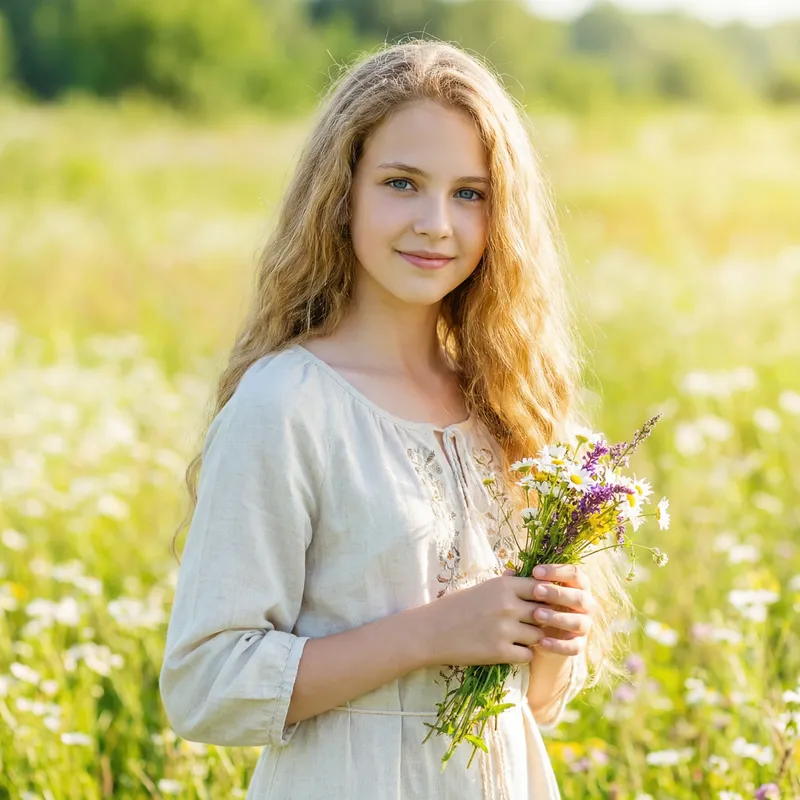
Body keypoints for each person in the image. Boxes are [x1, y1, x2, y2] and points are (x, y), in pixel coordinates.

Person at [159, 38, 633, 800]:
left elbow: (532, 707)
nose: (436, 224)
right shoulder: (287, 404)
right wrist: (432, 634)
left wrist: (551, 636)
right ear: (341, 192)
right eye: (402, 183)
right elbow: (204, 686)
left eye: (470, 194)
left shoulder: (508, 406)